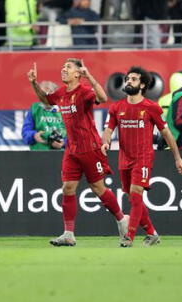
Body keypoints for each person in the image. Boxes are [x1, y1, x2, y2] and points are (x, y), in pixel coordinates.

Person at [27, 58, 129, 247]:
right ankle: (68, 234)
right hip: (72, 150)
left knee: (98, 188)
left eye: (68, 67)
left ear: (77, 74)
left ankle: (122, 220)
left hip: (90, 148)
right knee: (67, 188)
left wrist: (89, 76)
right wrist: (34, 82)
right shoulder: (61, 93)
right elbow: (45, 99)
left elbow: (103, 98)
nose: (63, 69)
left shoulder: (84, 91)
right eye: (62, 67)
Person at [102, 66, 182, 247]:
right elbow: (108, 129)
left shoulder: (151, 107)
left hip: (143, 158)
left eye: (133, 79)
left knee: (136, 193)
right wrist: (105, 142)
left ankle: (129, 237)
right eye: (127, 79)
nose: (128, 82)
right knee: (134, 198)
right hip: (124, 159)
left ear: (142, 84)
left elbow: (167, 133)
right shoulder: (117, 107)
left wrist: (177, 158)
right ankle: (152, 233)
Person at [22, 81, 66, 151]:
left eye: (49, 94)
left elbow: (74, 137)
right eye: (43, 94)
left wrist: (64, 143)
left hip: (61, 155)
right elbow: (25, 133)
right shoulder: (35, 108)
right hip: (38, 154)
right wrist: (34, 136)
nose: (45, 98)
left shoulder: (65, 109)